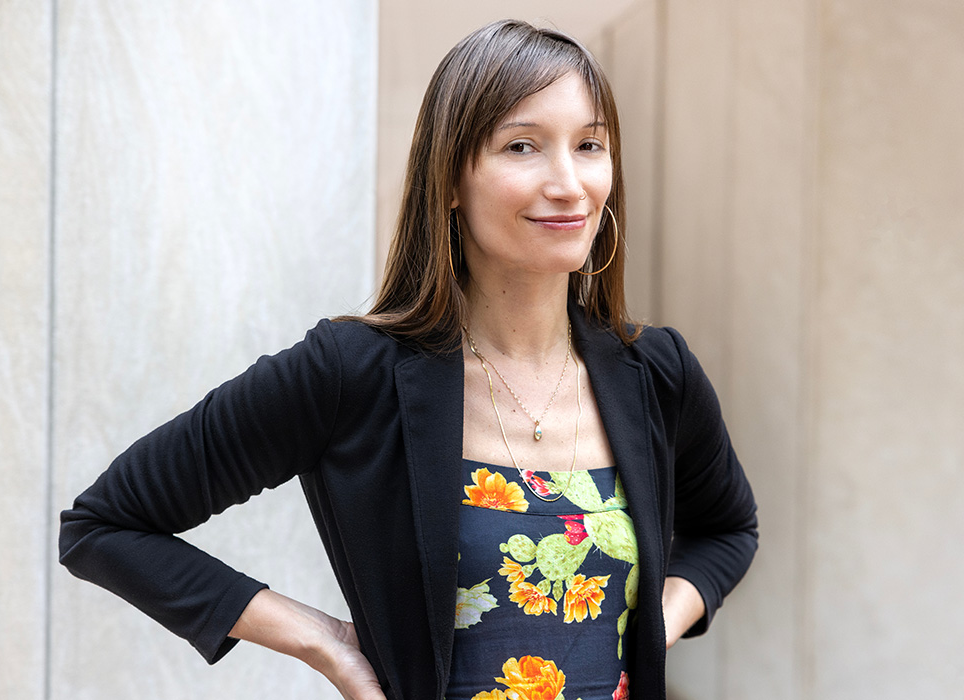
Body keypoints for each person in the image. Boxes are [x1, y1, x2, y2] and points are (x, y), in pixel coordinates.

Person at [59, 19, 757, 700]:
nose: (569, 182)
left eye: (590, 145)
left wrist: (653, 626)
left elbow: (728, 528)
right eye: (522, 147)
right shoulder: (351, 372)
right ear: (450, 178)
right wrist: (321, 639)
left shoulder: (656, 372)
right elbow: (104, 526)